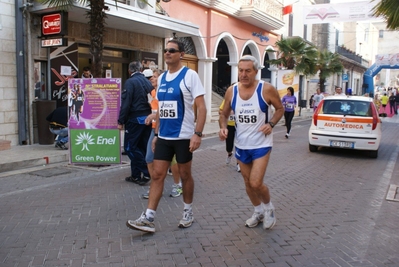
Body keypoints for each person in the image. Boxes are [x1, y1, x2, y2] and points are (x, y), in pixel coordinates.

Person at [126, 39, 207, 233]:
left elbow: (202, 108)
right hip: (164, 136)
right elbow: (162, 108)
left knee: (185, 175)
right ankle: (149, 217)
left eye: (172, 50)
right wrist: (156, 133)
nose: (168, 53)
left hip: (184, 136)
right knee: (157, 174)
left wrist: (197, 133)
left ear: (181, 54)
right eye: (166, 50)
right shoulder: (161, 79)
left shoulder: (190, 75)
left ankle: (188, 212)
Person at [219, 55, 284, 230]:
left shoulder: (266, 89)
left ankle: (269, 208)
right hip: (241, 144)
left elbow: (280, 109)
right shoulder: (232, 91)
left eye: (248, 71)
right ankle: (258, 211)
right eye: (241, 70)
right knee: (247, 182)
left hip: (261, 144)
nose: (243, 74)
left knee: (256, 182)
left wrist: (271, 124)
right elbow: (223, 113)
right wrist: (223, 128)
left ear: (256, 71)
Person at [142, 68, 183, 199]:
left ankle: (178, 185)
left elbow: (166, 110)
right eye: (151, 77)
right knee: (149, 158)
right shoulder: (153, 92)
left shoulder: (169, 92)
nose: (151, 79)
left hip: (167, 130)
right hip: (155, 130)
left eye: (154, 76)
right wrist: (152, 117)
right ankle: (155, 186)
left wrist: (153, 115)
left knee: (172, 160)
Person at [118, 61, 153, 186]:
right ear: (141, 69)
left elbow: (126, 103)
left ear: (129, 70)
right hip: (147, 118)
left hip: (134, 119)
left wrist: (120, 121)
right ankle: (136, 175)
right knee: (142, 147)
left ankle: (146, 171)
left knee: (130, 147)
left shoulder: (130, 82)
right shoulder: (147, 82)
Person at [219, 98, 240, 172]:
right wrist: (228, 112)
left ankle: (239, 164)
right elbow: (220, 111)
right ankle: (229, 153)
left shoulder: (242, 100)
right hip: (229, 125)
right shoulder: (227, 99)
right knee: (229, 145)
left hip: (239, 125)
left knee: (239, 144)